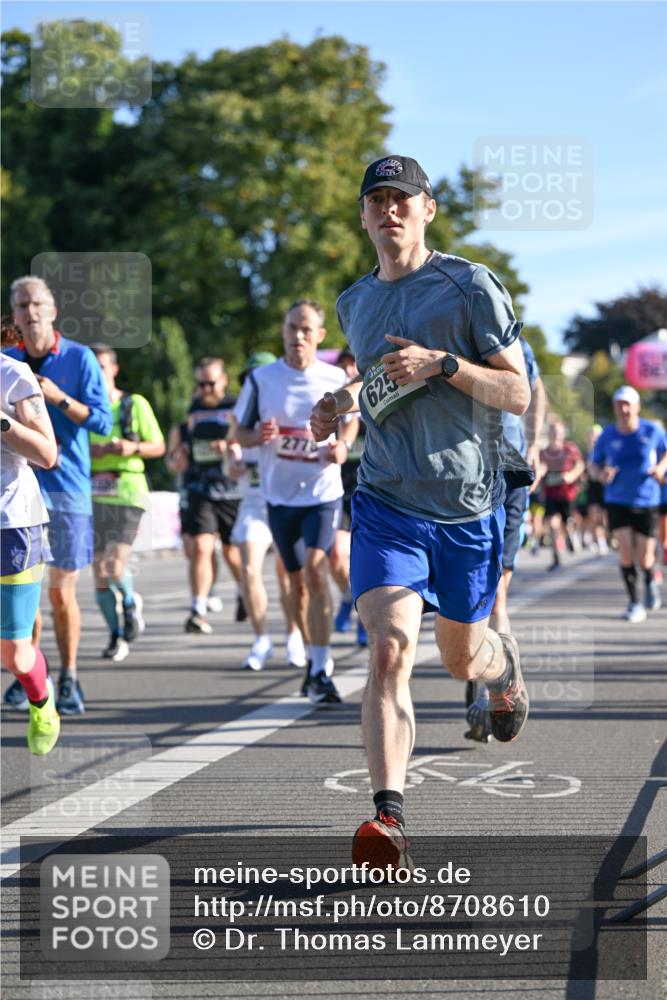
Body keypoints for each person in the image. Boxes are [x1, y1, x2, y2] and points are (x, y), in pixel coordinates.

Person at [310, 155, 531, 867]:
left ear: (427, 209)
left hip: (466, 505)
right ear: (364, 215)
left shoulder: (468, 285)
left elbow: (517, 393)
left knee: (459, 658)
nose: (389, 211)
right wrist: (337, 403)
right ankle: (389, 817)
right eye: (376, 200)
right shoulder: (355, 301)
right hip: (386, 502)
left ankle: (500, 669)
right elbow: (375, 377)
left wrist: (443, 364)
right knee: (388, 648)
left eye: (402, 199)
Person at [235, 300, 353, 704]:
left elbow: (352, 424)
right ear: (283, 332)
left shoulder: (336, 376)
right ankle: (309, 654)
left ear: (320, 336)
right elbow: (239, 432)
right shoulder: (261, 380)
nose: (298, 335)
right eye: (291, 328)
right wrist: (257, 437)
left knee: (317, 573)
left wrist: (343, 448)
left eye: (306, 329)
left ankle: (320, 667)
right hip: (278, 495)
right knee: (295, 583)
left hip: (322, 492)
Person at [4, 277, 112, 715]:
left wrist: (58, 397)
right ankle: (31, 672)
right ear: (13, 316)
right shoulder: (7, 362)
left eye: (37, 304)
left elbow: (103, 423)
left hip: (66, 489)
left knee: (60, 594)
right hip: (17, 496)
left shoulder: (79, 358)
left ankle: (69, 676)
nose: (30, 312)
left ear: (52, 312)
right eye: (21, 305)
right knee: (27, 598)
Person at [465, 336, 546, 742]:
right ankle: (491, 677)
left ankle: (494, 689)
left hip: (511, 470)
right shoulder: (447, 335)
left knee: (497, 590)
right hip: (466, 474)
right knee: (474, 592)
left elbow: (536, 388)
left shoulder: (510, 341)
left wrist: (536, 444)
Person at [227, 351, 308, 672]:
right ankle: (261, 638)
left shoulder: (291, 407)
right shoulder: (239, 415)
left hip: (289, 501)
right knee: (248, 568)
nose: (254, 385)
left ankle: (295, 635)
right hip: (254, 504)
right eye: (248, 379)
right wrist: (233, 461)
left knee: (289, 575)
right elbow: (232, 458)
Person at [1, 317, 60, 753]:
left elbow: (47, 453)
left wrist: (2, 424)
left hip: (12, 526)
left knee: (16, 656)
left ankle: (42, 701)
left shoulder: (13, 375)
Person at [89, 345, 166, 661]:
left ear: (114, 369)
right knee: (98, 572)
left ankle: (131, 602)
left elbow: (158, 446)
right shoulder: (82, 410)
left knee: (113, 564)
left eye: (102, 367)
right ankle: (116, 635)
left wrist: (128, 449)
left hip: (128, 492)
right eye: (92, 369)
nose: (98, 374)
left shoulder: (134, 404)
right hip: (91, 493)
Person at [166, 357, 244, 635]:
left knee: (234, 553)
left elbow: (246, 442)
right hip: (199, 488)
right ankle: (197, 610)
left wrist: (228, 445)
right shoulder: (192, 410)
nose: (206, 388)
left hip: (231, 490)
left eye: (211, 382)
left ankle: (244, 591)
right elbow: (175, 453)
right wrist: (178, 459)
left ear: (223, 380)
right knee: (200, 547)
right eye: (201, 383)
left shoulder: (236, 407)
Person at [590, 385, 667, 622]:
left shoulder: (652, 431)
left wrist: (660, 469)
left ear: (637, 407)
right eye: (619, 404)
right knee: (624, 551)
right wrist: (601, 474)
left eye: (627, 404)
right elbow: (593, 464)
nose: (623, 409)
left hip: (647, 499)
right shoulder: (607, 435)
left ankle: (648, 577)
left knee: (644, 556)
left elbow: (666, 453)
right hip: (617, 499)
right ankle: (634, 602)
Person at [330, 348, 366, 646]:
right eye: (343, 365)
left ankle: (366, 616)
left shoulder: (376, 400)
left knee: (365, 559)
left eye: (353, 364)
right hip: (340, 492)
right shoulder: (332, 405)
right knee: (336, 556)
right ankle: (350, 597)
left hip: (373, 492)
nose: (348, 369)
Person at [539, 419, 586, 571]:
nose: (555, 434)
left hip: (567, 493)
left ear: (563, 433)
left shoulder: (570, 449)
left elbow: (580, 465)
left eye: (558, 431)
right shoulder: (543, 452)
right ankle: (556, 558)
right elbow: (538, 468)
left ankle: (570, 537)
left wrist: (572, 475)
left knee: (568, 522)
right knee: (552, 525)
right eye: (552, 430)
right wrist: (541, 471)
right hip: (550, 493)